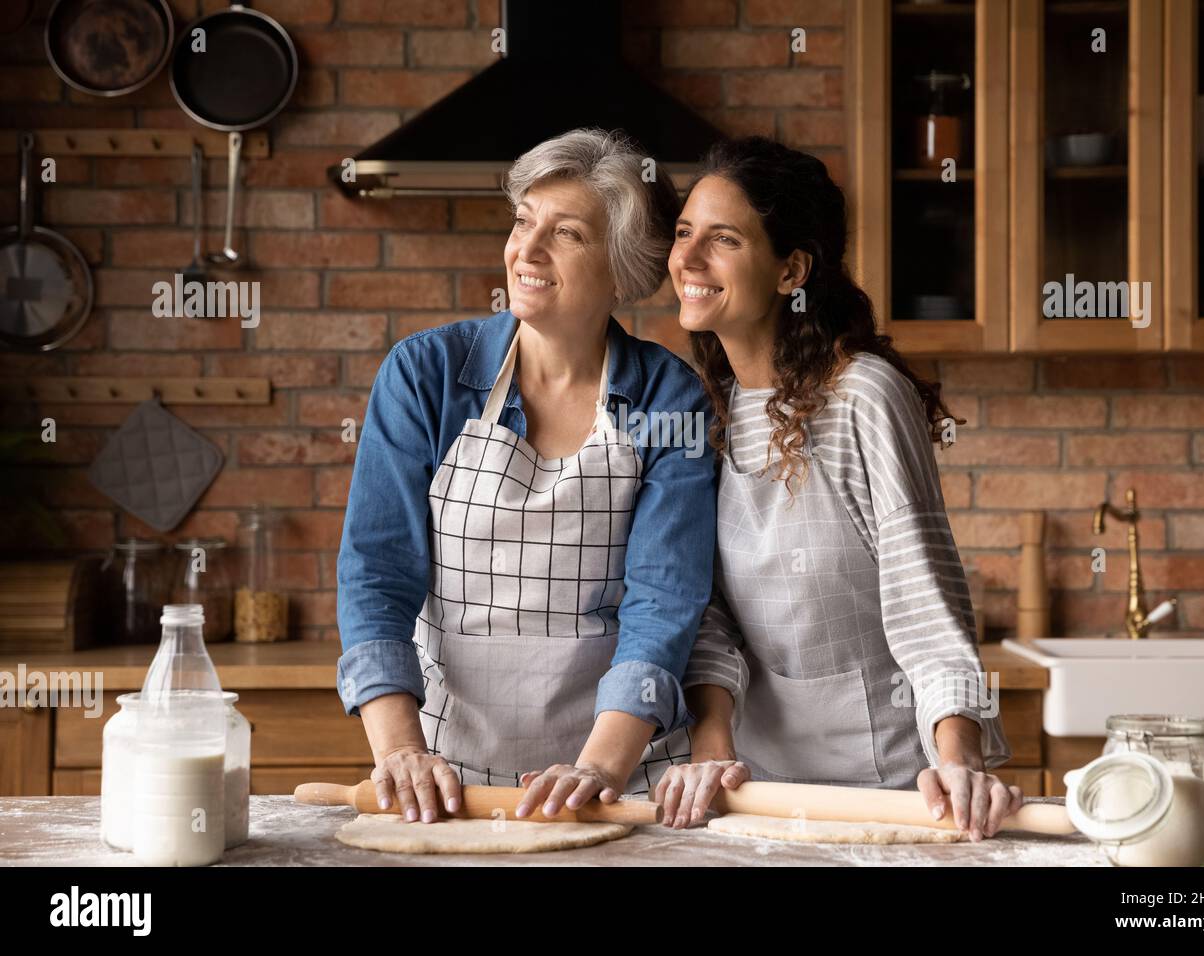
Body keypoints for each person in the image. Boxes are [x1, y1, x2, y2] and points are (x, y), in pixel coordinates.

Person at [336, 128, 715, 824]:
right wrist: (398, 753)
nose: (526, 252)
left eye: (565, 233)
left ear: (623, 266)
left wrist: (599, 768)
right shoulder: (427, 375)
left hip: (621, 781)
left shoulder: (668, 399)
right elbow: (376, 572)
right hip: (450, 777)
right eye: (522, 222)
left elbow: (664, 599)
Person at [658, 137, 1018, 842]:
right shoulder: (705, 413)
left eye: (722, 239)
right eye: (683, 233)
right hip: (757, 797)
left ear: (791, 268)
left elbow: (924, 600)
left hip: (893, 790)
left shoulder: (862, 397)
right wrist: (711, 751)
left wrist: (959, 760)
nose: (688, 260)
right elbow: (710, 620)